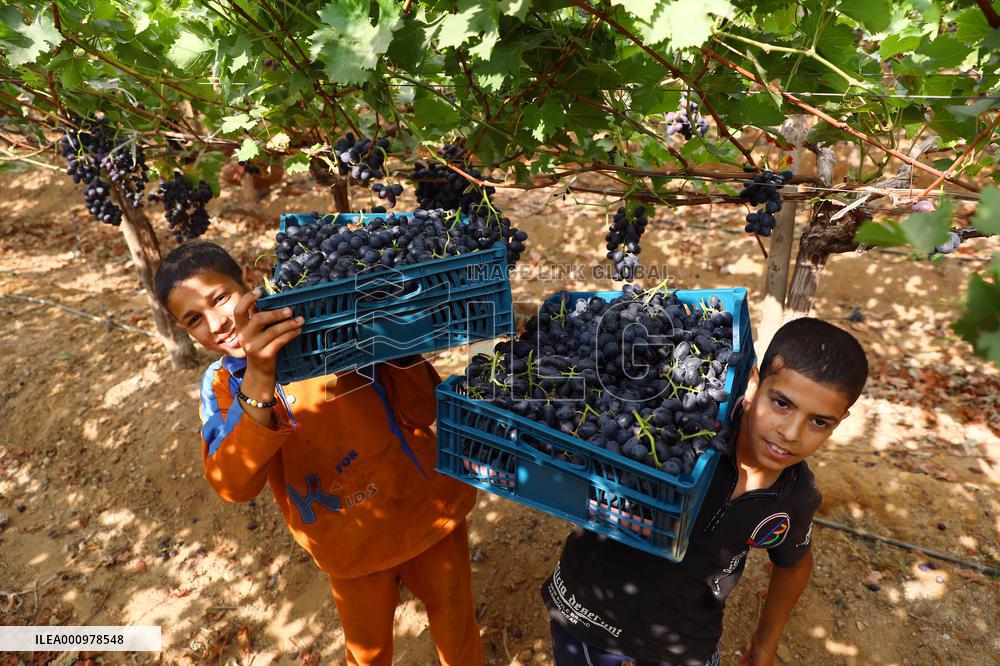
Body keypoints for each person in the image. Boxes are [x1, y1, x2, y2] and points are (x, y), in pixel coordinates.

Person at [154, 241, 482, 666]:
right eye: (194, 319)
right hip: (343, 541)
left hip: (424, 509)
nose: (216, 323)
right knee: (367, 652)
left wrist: (398, 342)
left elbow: (423, 411)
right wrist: (258, 375)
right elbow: (235, 485)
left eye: (221, 299)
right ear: (184, 332)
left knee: (455, 622)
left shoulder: (329, 322)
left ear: (250, 283)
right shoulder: (222, 385)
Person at [541, 317, 869, 666]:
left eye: (819, 421)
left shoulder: (794, 498)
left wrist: (764, 644)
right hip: (589, 612)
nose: (790, 432)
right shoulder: (686, 425)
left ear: (840, 421)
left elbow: (794, 564)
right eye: (782, 403)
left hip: (685, 640)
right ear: (754, 383)